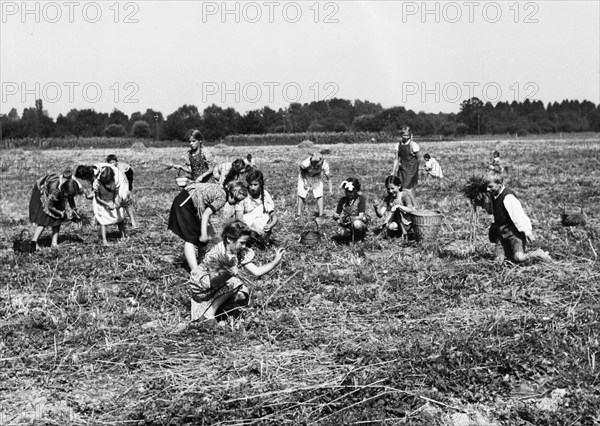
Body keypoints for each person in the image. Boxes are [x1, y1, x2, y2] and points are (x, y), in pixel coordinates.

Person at [190, 220, 285, 324]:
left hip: (217, 286)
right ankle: (208, 315)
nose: (244, 246)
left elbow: (256, 271)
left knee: (242, 294)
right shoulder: (217, 254)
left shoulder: (237, 252)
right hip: (202, 286)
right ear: (229, 239)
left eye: (245, 243)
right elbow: (213, 282)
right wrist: (228, 274)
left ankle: (216, 309)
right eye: (242, 243)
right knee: (235, 283)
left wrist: (275, 262)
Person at [168, 181, 248, 272]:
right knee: (191, 238)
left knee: (201, 233)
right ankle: (195, 272)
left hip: (189, 199)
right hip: (186, 202)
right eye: (237, 200)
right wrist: (204, 234)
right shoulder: (222, 198)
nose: (236, 203)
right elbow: (206, 214)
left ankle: (201, 262)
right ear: (232, 194)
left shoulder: (221, 191)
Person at [486, 172, 551, 263]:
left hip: (514, 234)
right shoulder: (494, 195)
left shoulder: (508, 197)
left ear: (499, 185)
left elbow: (518, 216)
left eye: (490, 186)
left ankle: (538, 254)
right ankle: (506, 254)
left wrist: (527, 232)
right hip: (502, 234)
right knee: (498, 261)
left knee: (518, 258)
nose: (487, 189)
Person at [29, 170, 83, 249]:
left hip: (55, 194)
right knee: (44, 219)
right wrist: (59, 212)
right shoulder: (55, 190)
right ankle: (34, 242)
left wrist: (74, 210)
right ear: (64, 191)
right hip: (43, 192)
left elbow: (71, 199)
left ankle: (54, 243)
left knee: (57, 219)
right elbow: (49, 206)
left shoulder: (71, 184)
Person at [237, 169, 279, 245]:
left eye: (255, 185)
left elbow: (273, 215)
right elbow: (239, 219)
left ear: (260, 184)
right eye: (250, 184)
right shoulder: (243, 195)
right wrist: (253, 229)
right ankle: (249, 239)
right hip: (246, 225)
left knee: (266, 214)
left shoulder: (264, 194)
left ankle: (263, 239)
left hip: (259, 223)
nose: (253, 188)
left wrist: (271, 225)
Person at [93, 165, 128, 245]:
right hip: (102, 203)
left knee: (120, 219)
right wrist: (107, 204)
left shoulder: (115, 182)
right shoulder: (97, 183)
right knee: (103, 221)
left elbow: (116, 195)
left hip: (112, 201)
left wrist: (116, 203)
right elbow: (97, 198)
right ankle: (104, 240)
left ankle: (123, 235)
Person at [106, 154, 139, 229]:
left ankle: (133, 223)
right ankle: (119, 224)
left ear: (116, 162)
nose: (112, 164)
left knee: (128, 205)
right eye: (110, 162)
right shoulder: (109, 170)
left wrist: (129, 188)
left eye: (113, 162)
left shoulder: (122, 167)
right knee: (117, 206)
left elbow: (128, 177)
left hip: (124, 187)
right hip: (116, 189)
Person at [332, 178, 368, 242]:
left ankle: (358, 238)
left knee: (357, 224)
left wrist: (350, 218)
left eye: (351, 192)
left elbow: (361, 216)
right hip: (346, 224)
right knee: (340, 232)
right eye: (346, 191)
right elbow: (338, 213)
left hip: (357, 222)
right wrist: (335, 216)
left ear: (356, 190)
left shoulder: (360, 199)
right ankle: (350, 236)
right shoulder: (343, 200)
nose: (348, 193)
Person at [297, 152, 332, 218]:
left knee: (319, 194)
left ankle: (321, 214)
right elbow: (302, 170)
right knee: (301, 193)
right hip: (305, 175)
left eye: (317, 164)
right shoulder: (305, 163)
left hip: (317, 176)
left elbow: (328, 177)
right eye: (314, 164)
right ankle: (298, 214)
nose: (315, 166)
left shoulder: (325, 164)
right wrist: (305, 181)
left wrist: (330, 189)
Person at [391, 126, 421, 190]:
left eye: (407, 135)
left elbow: (418, 158)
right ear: (401, 135)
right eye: (404, 135)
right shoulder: (398, 145)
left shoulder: (413, 145)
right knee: (400, 185)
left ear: (410, 136)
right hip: (402, 168)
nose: (406, 137)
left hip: (411, 169)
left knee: (408, 187)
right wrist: (393, 171)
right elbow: (396, 159)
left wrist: (416, 169)